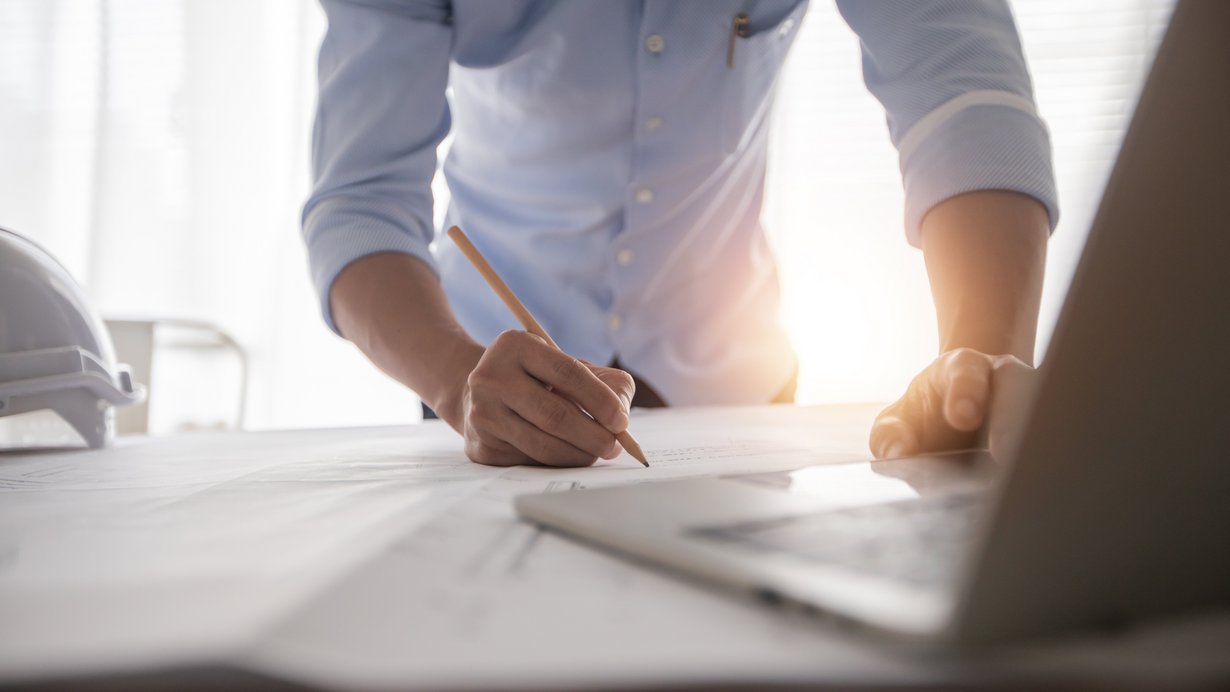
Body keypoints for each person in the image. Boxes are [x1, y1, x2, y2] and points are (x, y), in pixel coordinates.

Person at [302, 0, 1057, 467]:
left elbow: (964, 100)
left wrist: (982, 353)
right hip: (484, 382)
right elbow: (360, 201)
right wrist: (457, 383)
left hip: (740, 380)